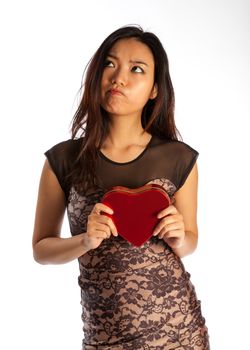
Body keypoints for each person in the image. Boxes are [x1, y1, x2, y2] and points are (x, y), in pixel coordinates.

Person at [32, 24, 210, 349]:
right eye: (110, 64)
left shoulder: (178, 157)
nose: (119, 78)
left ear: (155, 89)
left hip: (178, 330)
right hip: (105, 336)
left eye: (136, 69)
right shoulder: (63, 159)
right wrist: (85, 241)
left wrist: (179, 236)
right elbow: (41, 249)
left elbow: (189, 242)